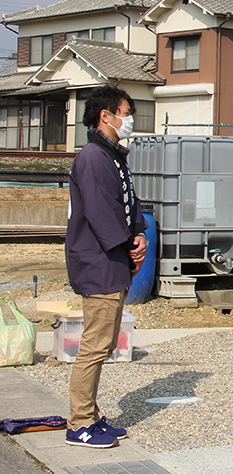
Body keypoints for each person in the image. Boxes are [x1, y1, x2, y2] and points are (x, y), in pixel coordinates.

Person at [64, 86, 148, 448]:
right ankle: (78, 423)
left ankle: (91, 415)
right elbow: (101, 212)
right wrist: (127, 246)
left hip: (112, 260)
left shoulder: (113, 155)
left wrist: (140, 232)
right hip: (98, 261)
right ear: (106, 115)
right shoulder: (94, 157)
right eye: (126, 112)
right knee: (95, 344)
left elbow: (128, 200)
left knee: (105, 341)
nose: (129, 120)